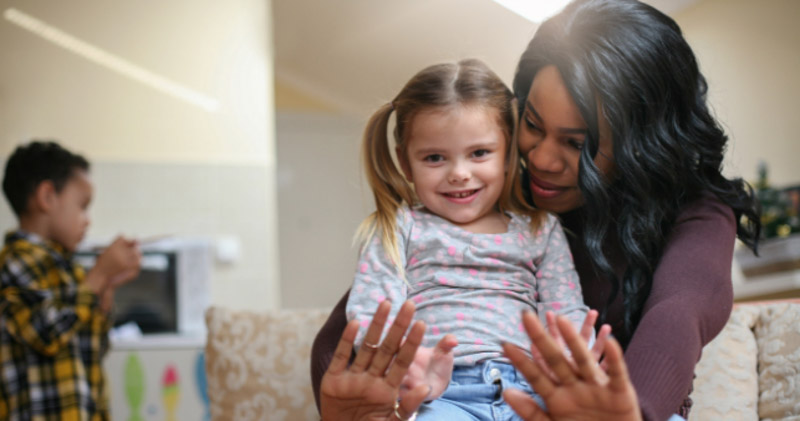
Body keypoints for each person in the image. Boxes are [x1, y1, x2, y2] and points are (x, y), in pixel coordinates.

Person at [312, 0, 761, 420]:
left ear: (640, 145)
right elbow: (349, 330)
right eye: (532, 124)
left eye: (577, 143)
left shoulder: (696, 212)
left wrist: (628, 411)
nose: (542, 160)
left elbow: (680, 310)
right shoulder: (495, 200)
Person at [341, 58, 596, 420]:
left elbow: (563, 309)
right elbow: (371, 314)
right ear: (404, 162)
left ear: (508, 152)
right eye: (434, 158)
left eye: (479, 153)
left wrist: (573, 360)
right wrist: (408, 364)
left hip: (531, 390)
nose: (459, 174)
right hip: (440, 396)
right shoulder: (399, 227)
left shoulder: (540, 228)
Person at [0, 140, 142, 420]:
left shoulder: (72, 270)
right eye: (83, 206)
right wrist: (98, 275)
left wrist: (106, 288)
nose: (87, 220)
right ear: (47, 196)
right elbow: (46, 333)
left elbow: (94, 348)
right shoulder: (15, 262)